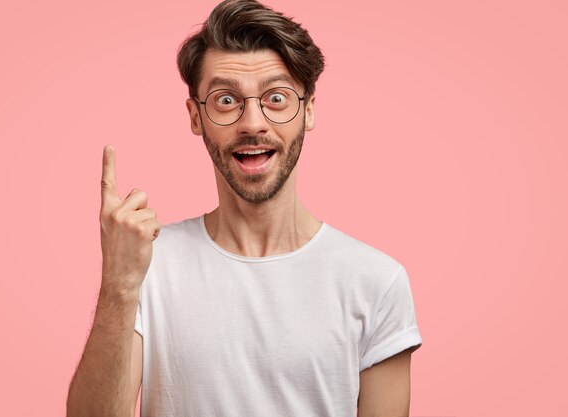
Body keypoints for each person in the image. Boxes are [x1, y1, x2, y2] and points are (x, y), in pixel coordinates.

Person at [66, 0, 422, 416]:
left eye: (276, 97)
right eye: (225, 100)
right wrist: (119, 284)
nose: (252, 123)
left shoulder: (376, 282)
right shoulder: (149, 267)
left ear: (308, 110)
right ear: (195, 117)